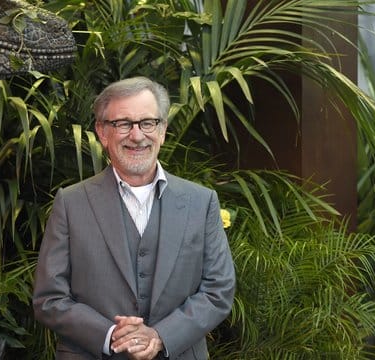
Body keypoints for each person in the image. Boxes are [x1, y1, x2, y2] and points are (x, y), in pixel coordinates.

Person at [32, 76, 235, 360]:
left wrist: (160, 335)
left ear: (162, 130)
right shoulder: (71, 203)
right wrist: (110, 335)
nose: (137, 135)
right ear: (102, 133)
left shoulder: (201, 203)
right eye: (123, 124)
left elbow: (218, 290)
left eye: (148, 123)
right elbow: (49, 298)